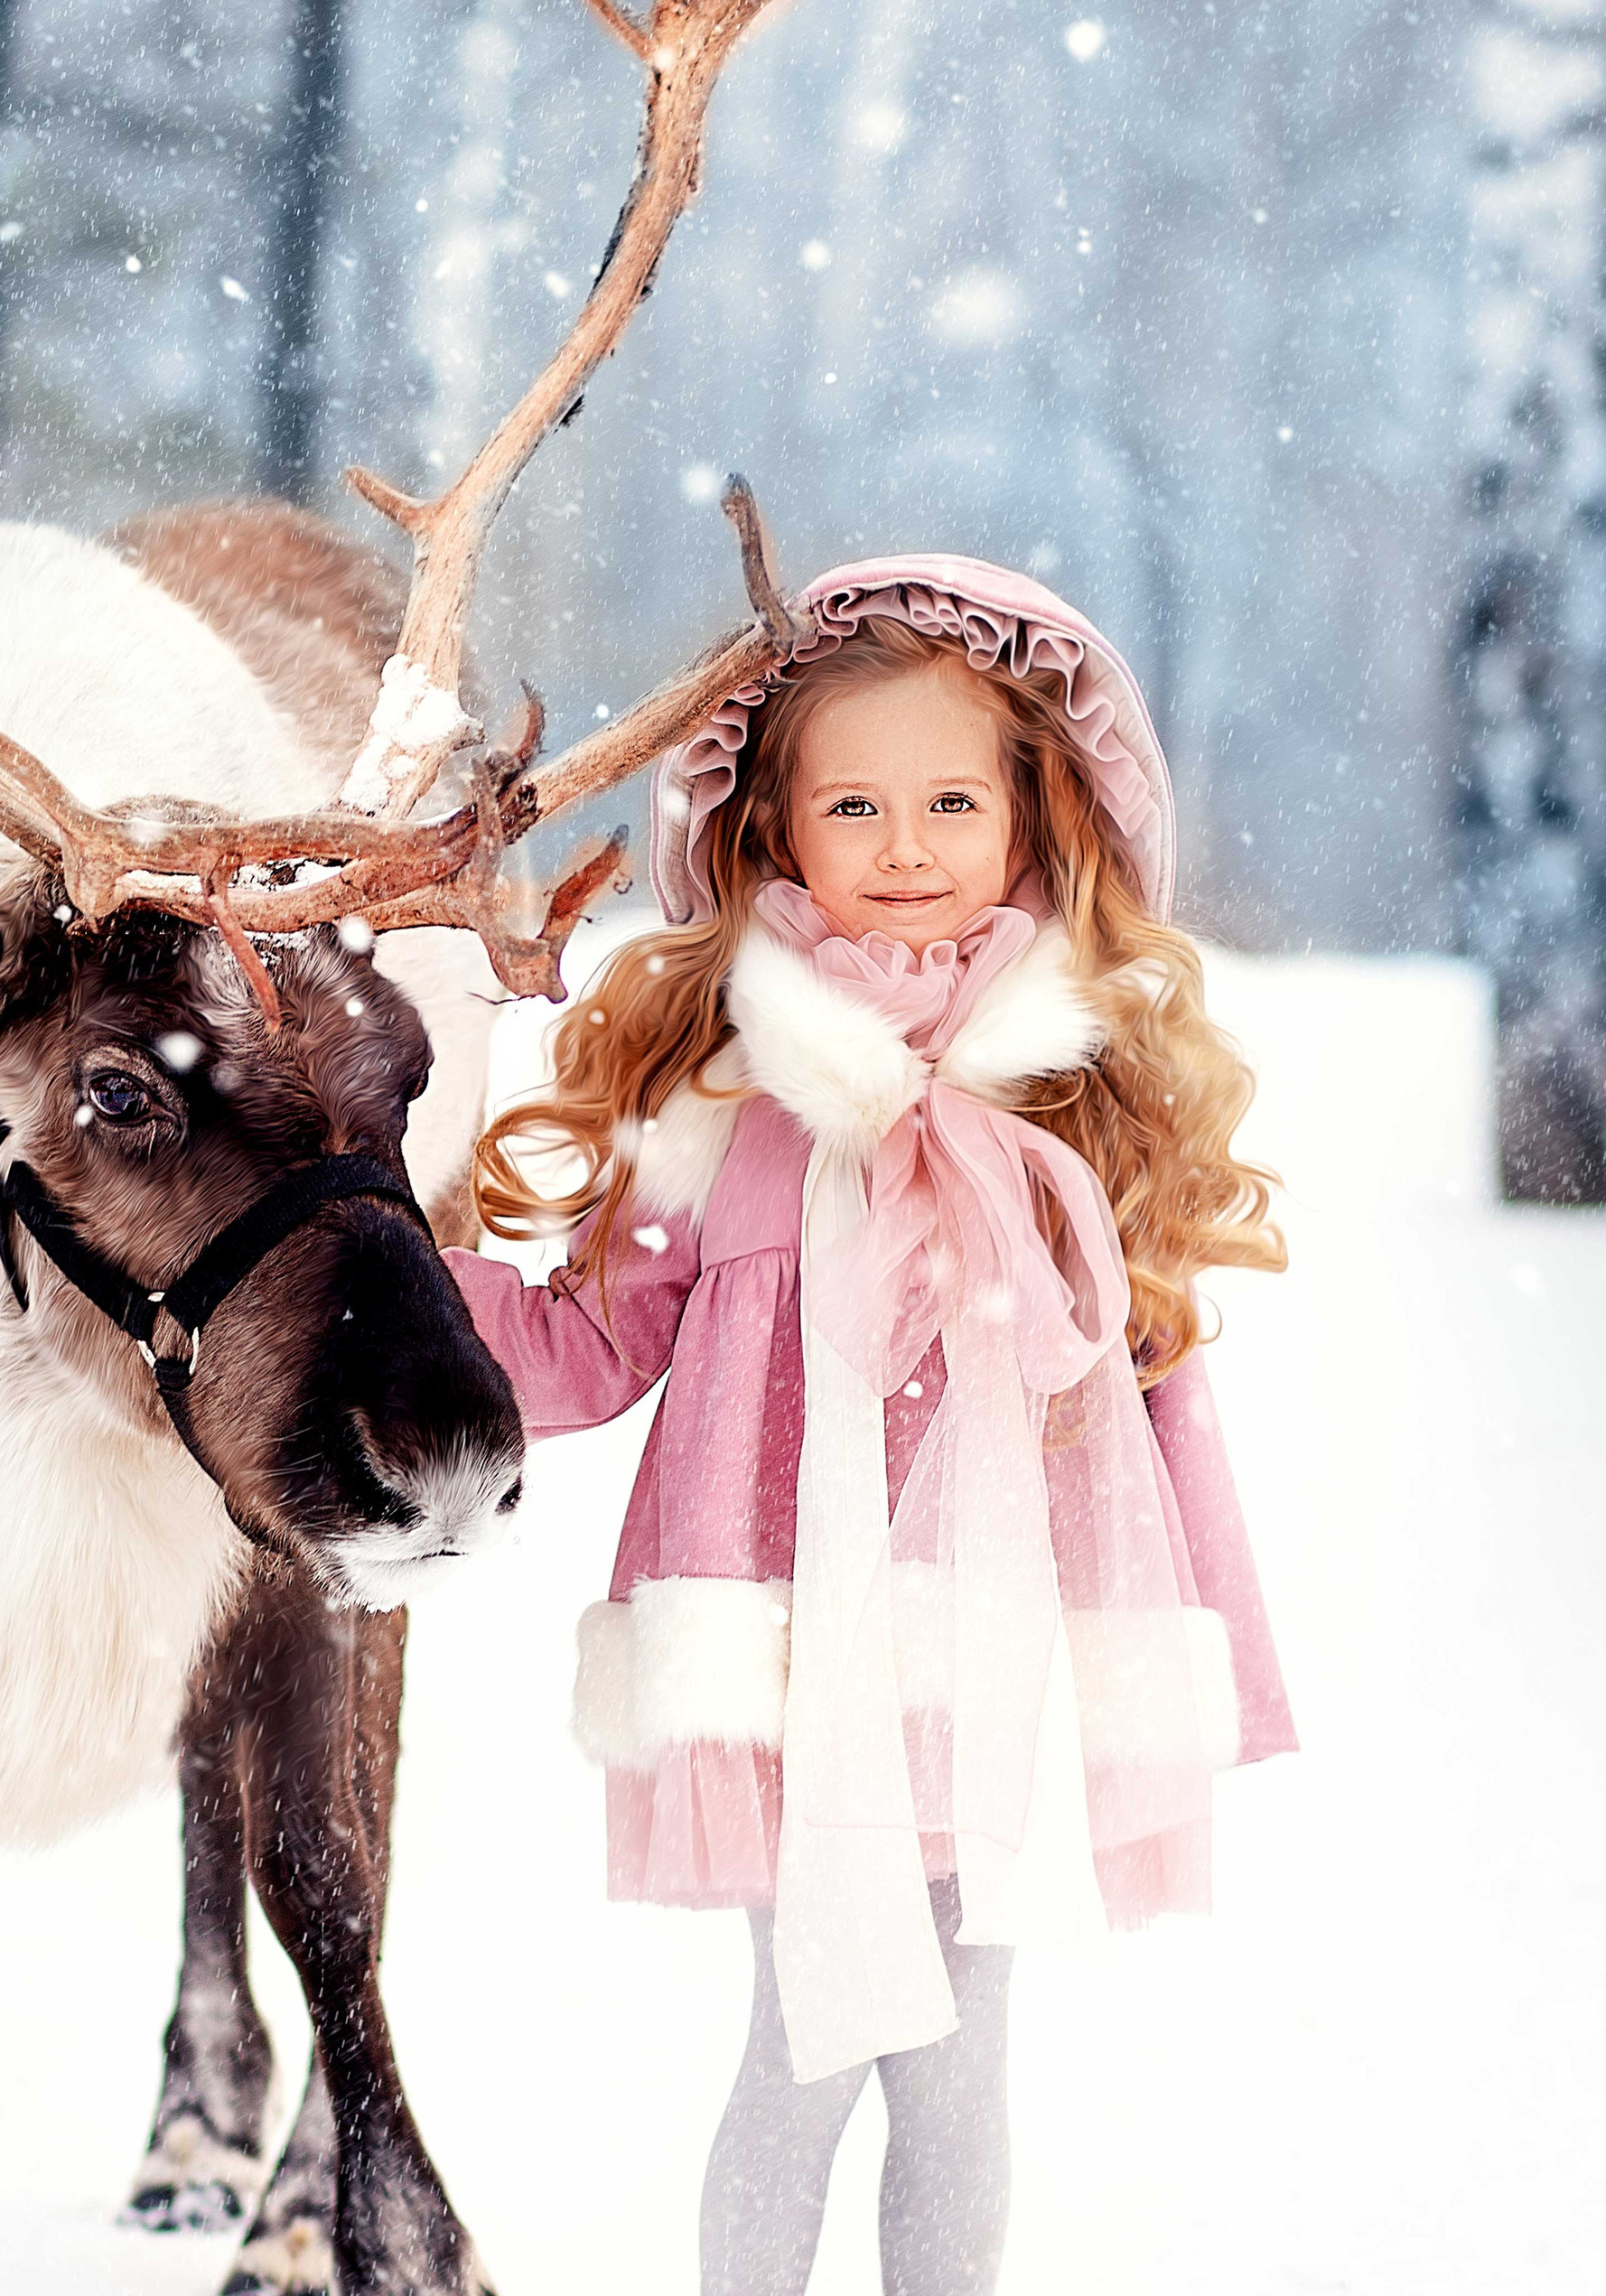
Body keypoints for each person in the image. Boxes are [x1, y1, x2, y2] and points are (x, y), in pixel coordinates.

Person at [442, 556, 1297, 2296]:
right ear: (773, 835)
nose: (905, 844)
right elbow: (596, 1350)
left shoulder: (1074, 1090)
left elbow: (1154, 1392)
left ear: (1030, 821)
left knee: (962, 2060)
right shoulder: (725, 1094)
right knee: (810, 2043)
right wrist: (408, 1264)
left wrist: (1197, 1642)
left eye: (950, 801)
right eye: (854, 802)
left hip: (1007, 1656)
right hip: (787, 1656)